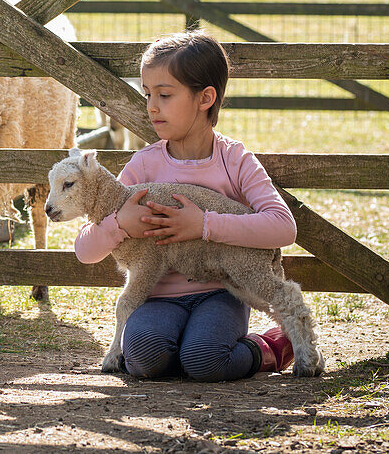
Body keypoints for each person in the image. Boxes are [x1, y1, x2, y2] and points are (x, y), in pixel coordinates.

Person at [75, 30, 296, 381]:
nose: (150, 105)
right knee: (144, 360)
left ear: (205, 97)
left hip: (220, 293)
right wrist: (119, 223)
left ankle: (268, 348)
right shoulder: (144, 166)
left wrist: (205, 225)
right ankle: (182, 348)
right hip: (159, 297)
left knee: (207, 361)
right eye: (148, 94)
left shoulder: (234, 160)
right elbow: (86, 251)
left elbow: (283, 226)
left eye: (164, 94)